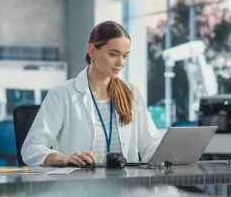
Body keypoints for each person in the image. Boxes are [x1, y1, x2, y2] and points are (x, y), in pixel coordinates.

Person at [21, 21, 162, 166]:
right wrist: (64, 158)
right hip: (78, 186)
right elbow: (31, 149)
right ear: (92, 51)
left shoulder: (132, 93)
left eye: (125, 56)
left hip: (125, 185)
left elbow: (150, 144)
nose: (121, 63)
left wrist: (169, 154)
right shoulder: (62, 94)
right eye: (113, 54)